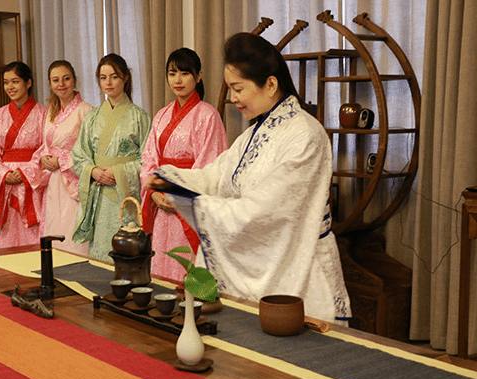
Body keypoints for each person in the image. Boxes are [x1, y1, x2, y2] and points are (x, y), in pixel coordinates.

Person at [144, 33, 351, 324]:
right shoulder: (253, 133)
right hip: (265, 259)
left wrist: (199, 206)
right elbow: (217, 175)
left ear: (271, 84)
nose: (233, 98)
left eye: (238, 88)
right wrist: (174, 180)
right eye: (230, 89)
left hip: (299, 265)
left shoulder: (305, 135)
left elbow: (267, 208)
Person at [140, 48, 228, 282]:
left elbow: (210, 165)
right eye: (172, 74)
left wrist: (177, 194)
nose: (177, 80)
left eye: (184, 73)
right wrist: (154, 192)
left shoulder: (208, 116)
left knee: (189, 266)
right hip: (162, 203)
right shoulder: (161, 115)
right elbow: (149, 158)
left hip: (188, 206)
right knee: (162, 266)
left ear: (198, 76)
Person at [72, 53, 151, 262]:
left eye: (114, 76)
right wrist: (93, 171)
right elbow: (79, 155)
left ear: (125, 77)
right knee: (100, 253)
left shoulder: (139, 116)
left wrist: (118, 172)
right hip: (98, 193)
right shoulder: (92, 117)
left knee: (124, 251)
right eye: (103, 77)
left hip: (124, 195)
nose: (108, 82)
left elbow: (148, 159)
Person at [0, 61, 47, 249]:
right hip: (7, 183)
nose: (10, 87)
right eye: (6, 82)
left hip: (32, 181)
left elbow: (47, 149)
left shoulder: (45, 114)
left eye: (15, 81)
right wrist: (4, 174)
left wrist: (25, 172)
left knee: (34, 233)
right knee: (9, 233)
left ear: (28, 83)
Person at [31, 60, 93, 254]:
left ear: (74, 80)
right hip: (54, 179)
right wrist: (43, 158)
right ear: (50, 84)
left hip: (73, 180)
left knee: (71, 226)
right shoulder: (51, 111)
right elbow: (46, 144)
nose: (61, 84)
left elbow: (90, 150)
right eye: (56, 80)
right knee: (54, 225)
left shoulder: (86, 111)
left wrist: (62, 161)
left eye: (66, 78)